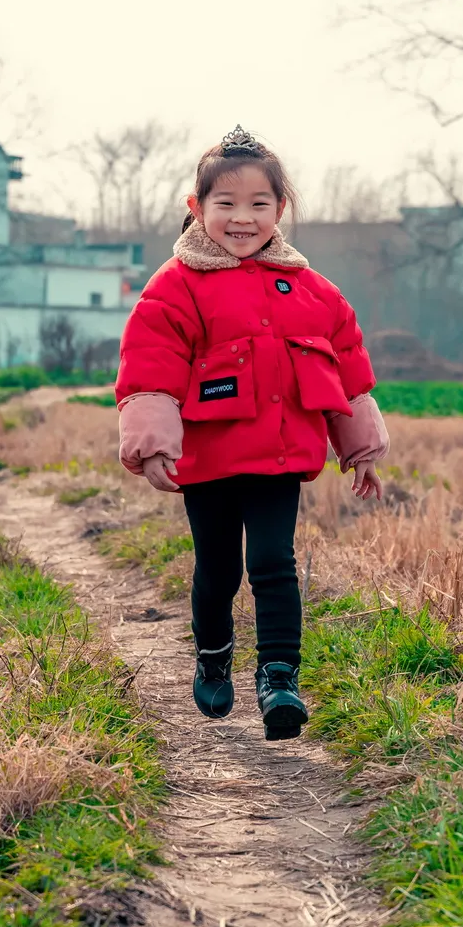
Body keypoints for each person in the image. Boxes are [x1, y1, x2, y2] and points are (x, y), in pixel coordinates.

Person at [116, 125, 389, 741]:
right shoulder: (176, 286)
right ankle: (213, 656)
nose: (243, 219)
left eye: (259, 205)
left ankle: (279, 678)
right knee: (218, 568)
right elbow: (150, 361)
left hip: (279, 456)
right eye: (226, 205)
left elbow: (344, 364)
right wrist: (156, 443)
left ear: (280, 210)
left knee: (273, 563)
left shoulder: (313, 290)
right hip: (209, 459)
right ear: (197, 208)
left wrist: (360, 449)